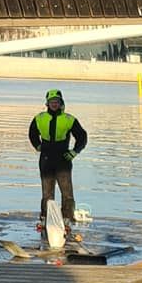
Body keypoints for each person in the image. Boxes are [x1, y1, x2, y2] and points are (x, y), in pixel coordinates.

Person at [29, 87, 87, 231]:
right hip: (46, 159)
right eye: (51, 101)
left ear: (61, 103)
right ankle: (44, 220)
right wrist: (37, 145)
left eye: (56, 101)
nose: (54, 104)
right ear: (47, 103)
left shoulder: (69, 119)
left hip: (63, 160)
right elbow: (32, 133)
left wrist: (74, 152)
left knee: (67, 193)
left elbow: (82, 137)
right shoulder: (39, 118)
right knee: (47, 193)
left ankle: (67, 220)